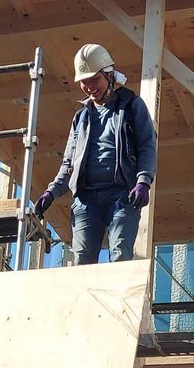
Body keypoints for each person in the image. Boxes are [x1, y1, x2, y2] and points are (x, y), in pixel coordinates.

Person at [34, 44, 156, 265]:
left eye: (94, 79)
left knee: (120, 256)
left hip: (122, 196)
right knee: (81, 261)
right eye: (84, 81)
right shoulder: (81, 118)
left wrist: (143, 181)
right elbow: (69, 163)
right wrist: (51, 191)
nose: (89, 86)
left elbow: (147, 145)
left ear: (109, 75)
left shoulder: (131, 107)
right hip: (86, 200)